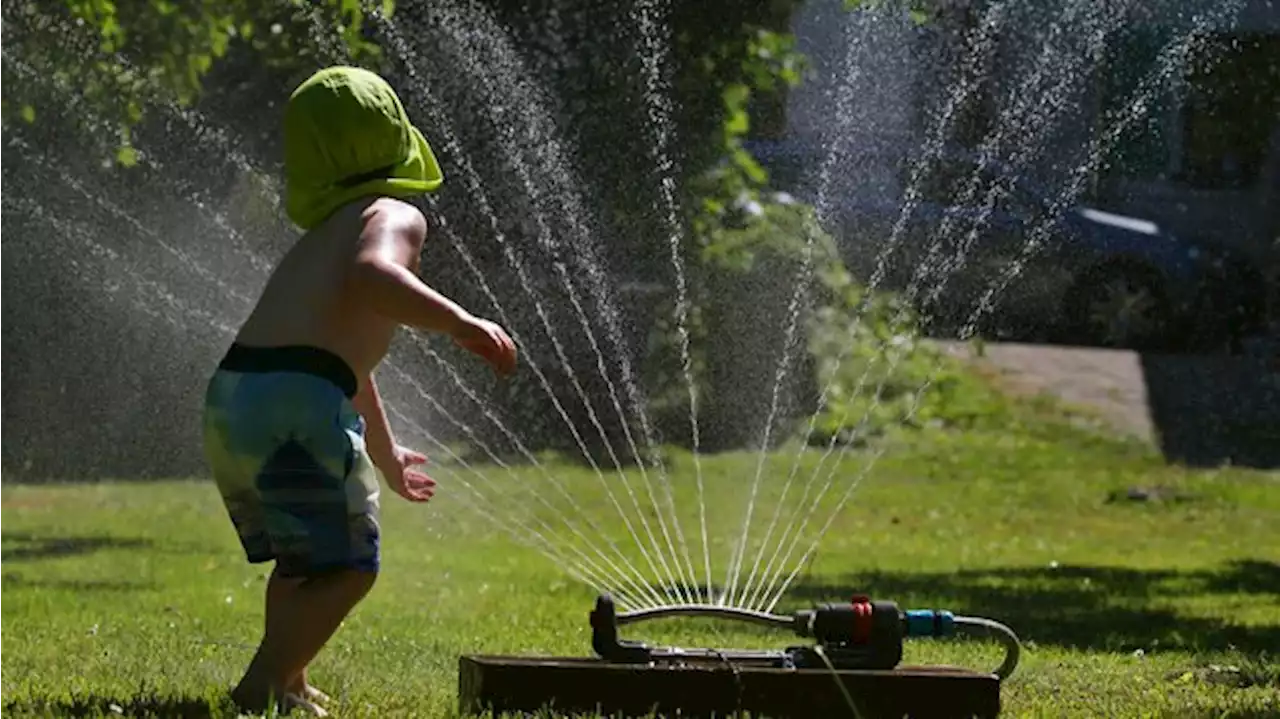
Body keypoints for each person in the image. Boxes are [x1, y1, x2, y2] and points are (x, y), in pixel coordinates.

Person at [201, 65, 517, 716]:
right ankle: (260, 683)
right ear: (399, 137)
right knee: (351, 565)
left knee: (301, 562)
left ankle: (287, 682)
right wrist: (460, 321)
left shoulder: (323, 233)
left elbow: (346, 366)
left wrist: (388, 451)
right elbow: (375, 274)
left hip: (239, 394)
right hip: (296, 400)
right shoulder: (393, 212)